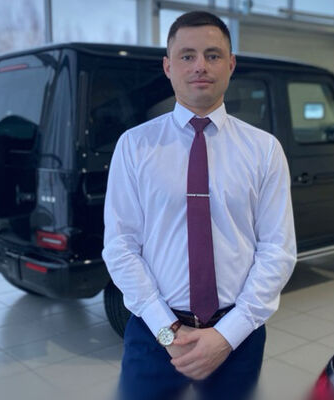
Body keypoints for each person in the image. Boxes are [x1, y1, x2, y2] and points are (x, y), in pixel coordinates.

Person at [102, 10, 296, 400]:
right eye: (187, 55)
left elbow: (277, 249)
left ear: (231, 64)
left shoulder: (264, 150)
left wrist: (227, 335)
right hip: (155, 332)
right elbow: (121, 246)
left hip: (237, 334)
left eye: (213, 55)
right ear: (168, 66)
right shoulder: (135, 146)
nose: (200, 66)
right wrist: (167, 332)